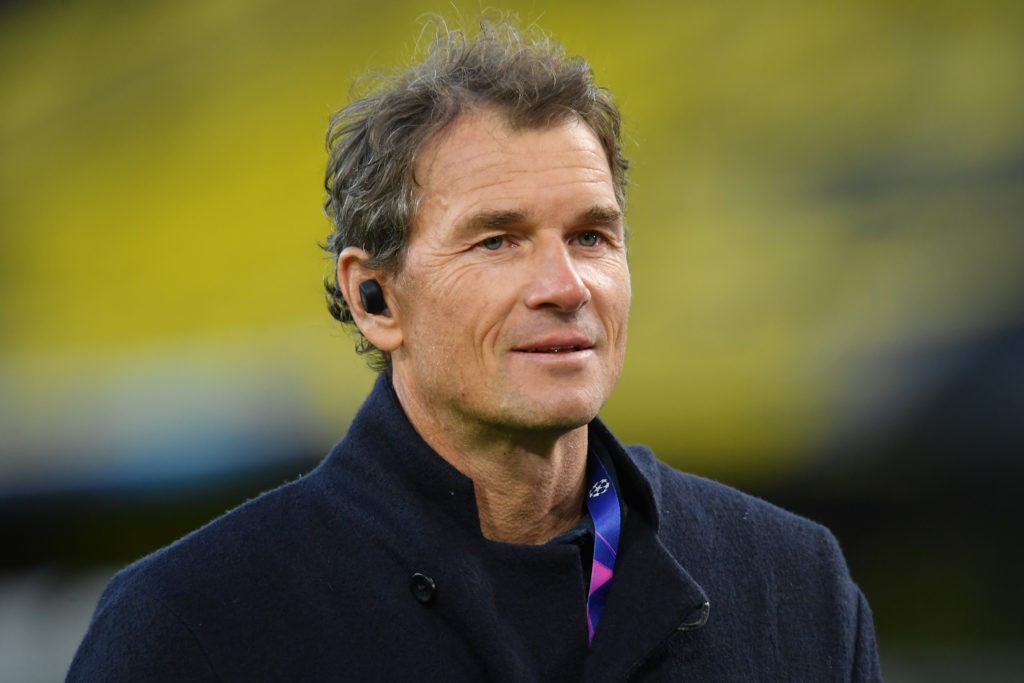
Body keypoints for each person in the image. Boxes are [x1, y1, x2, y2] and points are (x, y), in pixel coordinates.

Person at [68, 18, 882, 682]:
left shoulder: (795, 582)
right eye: (498, 241)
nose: (565, 284)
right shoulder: (193, 622)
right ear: (373, 298)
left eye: (593, 236)